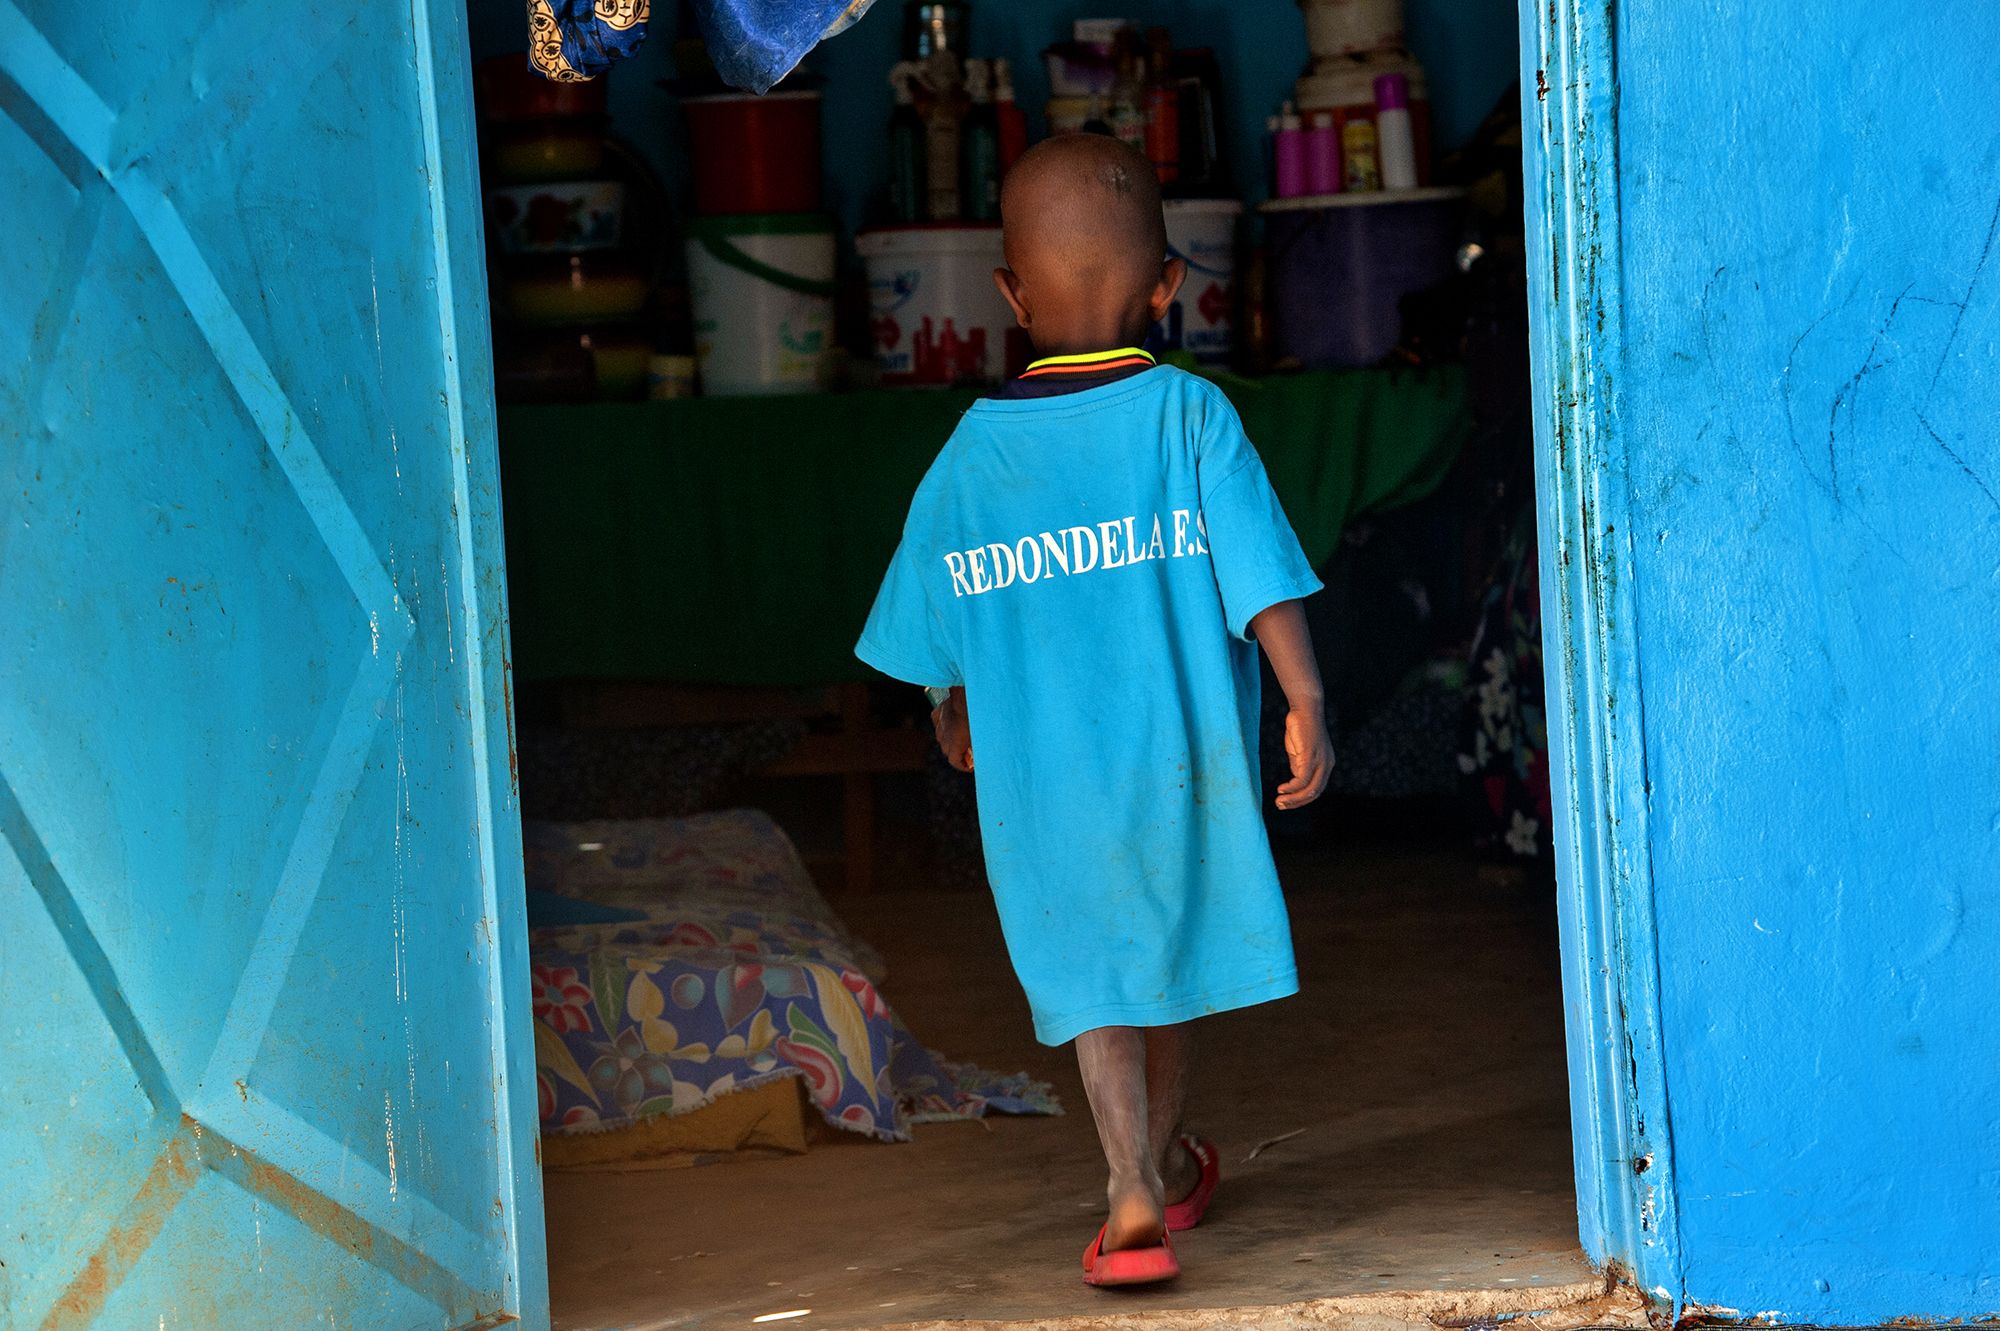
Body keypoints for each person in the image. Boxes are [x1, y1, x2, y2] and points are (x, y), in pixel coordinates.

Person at [855, 133, 1333, 1287]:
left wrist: (946, 703)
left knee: (1093, 971)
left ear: (1009, 297)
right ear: (1168, 285)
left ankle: (1125, 1177)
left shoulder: (968, 457)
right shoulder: (1192, 418)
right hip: (1182, 767)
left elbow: (935, 619)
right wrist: (1304, 694)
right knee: (1161, 955)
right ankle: (1164, 1165)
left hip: (1043, 786)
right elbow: (1261, 577)